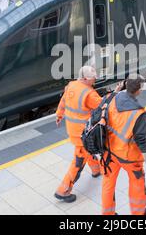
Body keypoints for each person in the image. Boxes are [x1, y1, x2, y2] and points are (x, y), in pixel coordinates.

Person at [102, 75, 146, 215]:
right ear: (138, 90)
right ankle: (138, 214)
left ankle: (107, 214)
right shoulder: (138, 113)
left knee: (108, 183)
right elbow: (142, 141)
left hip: (108, 151)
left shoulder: (113, 98)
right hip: (128, 157)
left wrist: (115, 91)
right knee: (137, 184)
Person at [54, 65, 103, 203]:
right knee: (78, 161)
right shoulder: (89, 94)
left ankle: (96, 170)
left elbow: (63, 101)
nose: (95, 80)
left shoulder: (71, 85)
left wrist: (59, 114)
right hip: (84, 134)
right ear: (86, 78)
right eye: (94, 78)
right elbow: (103, 108)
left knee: (88, 151)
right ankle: (62, 191)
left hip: (72, 129)